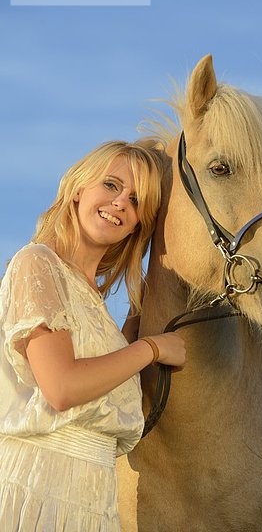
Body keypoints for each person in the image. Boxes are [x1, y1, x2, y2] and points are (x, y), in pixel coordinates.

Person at [0, 139, 186, 531]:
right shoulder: (37, 263)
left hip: (94, 499)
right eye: (111, 185)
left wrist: (134, 332)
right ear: (78, 189)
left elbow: (97, 382)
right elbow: (63, 387)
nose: (121, 203)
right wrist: (151, 348)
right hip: (42, 488)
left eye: (137, 201)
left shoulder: (94, 301)